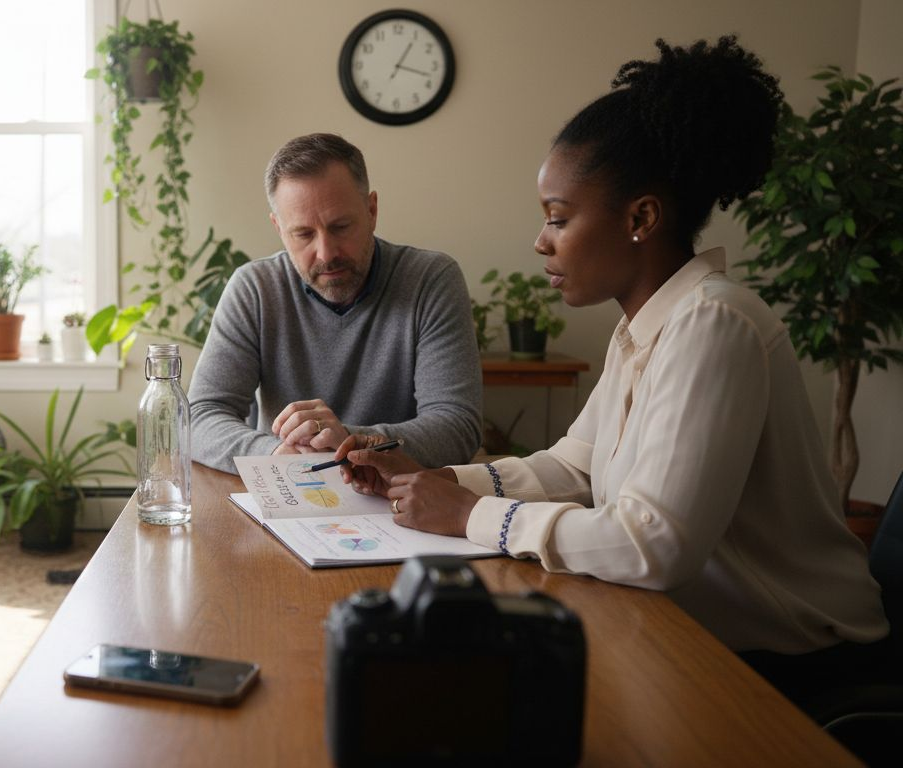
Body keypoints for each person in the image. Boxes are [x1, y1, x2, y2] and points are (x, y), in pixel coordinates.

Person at [336, 37, 888, 702]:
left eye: (559, 218)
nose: (541, 241)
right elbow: (574, 468)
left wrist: (470, 516)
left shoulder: (715, 325)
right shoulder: (646, 328)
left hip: (797, 668)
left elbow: (652, 546)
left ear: (641, 218)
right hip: (700, 642)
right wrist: (433, 478)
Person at [188, 133, 483, 473]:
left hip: (396, 500)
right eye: (303, 234)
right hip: (287, 489)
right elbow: (199, 417)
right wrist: (272, 454)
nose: (326, 253)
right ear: (278, 229)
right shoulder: (255, 289)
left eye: (340, 227)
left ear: (371, 210)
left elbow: (457, 426)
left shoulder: (430, 281)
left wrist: (350, 441)